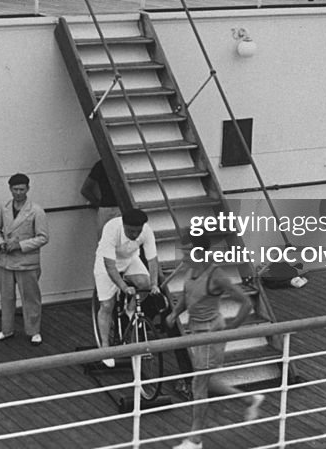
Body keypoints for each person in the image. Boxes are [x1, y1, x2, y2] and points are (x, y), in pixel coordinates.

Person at [165, 233, 264, 449]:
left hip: (211, 332)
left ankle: (195, 440)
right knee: (206, 380)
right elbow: (187, 295)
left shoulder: (216, 275)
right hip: (196, 331)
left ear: (199, 252)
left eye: (187, 250)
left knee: (198, 385)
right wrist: (174, 313)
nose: (183, 254)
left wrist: (231, 329)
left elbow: (246, 303)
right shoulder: (192, 270)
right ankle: (249, 399)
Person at [94, 208, 161, 366]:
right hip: (107, 263)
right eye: (131, 231)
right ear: (123, 225)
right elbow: (110, 267)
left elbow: (152, 259)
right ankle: (105, 349)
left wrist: (154, 284)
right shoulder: (111, 228)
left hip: (131, 259)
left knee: (144, 283)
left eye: (138, 231)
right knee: (106, 305)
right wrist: (124, 287)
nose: (135, 235)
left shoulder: (147, 231)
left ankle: (130, 309)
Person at [0, 173, 49, 346]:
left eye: (22, 189)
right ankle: (6, 329)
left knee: (30, 298)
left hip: (27, 262)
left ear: (28, 189)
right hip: (6, 261)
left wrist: (21, 245)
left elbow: (43, 237)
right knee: (6, 297)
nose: (18, 193)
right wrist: (0, 245)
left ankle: (34, 331)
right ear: (10, 189)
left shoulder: (36, 210)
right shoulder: (4, 207)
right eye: (15, 189)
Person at [81, 160, 121, 237]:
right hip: (120, 207)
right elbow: (85, 190)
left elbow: (85, 190)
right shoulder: (123, 163)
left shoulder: (101, 164)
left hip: (105, 209)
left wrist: (98, 204)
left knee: (104, 244)